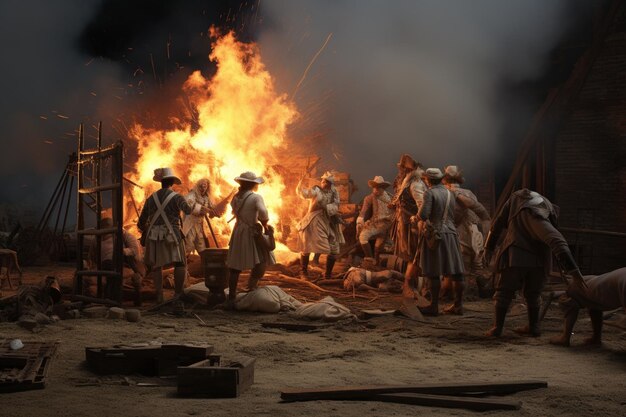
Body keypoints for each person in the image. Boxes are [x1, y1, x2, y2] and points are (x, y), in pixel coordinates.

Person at [484, 189, 585, 337]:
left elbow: (557, 240)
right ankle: (531, 327)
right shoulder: (520, 201)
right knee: (531, 293)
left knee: (505, 291)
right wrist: (489, 247)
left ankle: (500, 328)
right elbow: (498, 223)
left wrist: (574, 272)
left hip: (516, 255)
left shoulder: (534, 212)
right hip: (537, 259)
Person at [138, 167, 208, 308]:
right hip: (172, 234)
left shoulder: (151, 198)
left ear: (161, 182)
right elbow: (188, 210)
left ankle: (159, 295)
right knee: (180, 264)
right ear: (172, 182)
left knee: (157, 266)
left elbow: (141, 222)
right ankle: (177, 295)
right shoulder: (177, 197)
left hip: (154, 235)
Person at [415, 168, 465, 316]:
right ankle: (458, 306)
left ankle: (434, 306)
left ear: (428, 180)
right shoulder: (450, 193)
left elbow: (424, 215)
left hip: (436, 235)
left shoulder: (429, 193)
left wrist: (415, 218)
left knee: (433, 272)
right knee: (457, 272)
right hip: (451, 234)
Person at [226, 171, 275, 306]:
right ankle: (251, 287)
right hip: (252, 231)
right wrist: (265, 224)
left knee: (235, 265)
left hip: (238, 231)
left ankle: (231, 296)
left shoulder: (235, 197)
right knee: (262, 259)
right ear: (252, 184)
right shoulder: (256, 197)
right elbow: (263, 212)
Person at [441, 165, 491, 298]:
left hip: (460, 233)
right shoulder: (468, 192)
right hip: (474, 233)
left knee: (460, 267)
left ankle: (460, 296)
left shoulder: (446, 193)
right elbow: (481, 213)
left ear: (445, 179)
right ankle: (475, 290)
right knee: (474, 266)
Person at [549, 267, 626, 347]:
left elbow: (570, 308)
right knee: (593, 303)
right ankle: (596, 338)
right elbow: (595, 307)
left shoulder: (572, 290)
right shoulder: (591, 287)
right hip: (620, 277)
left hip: (620, 282)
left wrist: (565, 336)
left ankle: (564, 337)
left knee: (568, 303)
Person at [296, 171, 345, 279]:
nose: (323, 183)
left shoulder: (334, 192)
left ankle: (327, 274)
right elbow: (304, 194)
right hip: (314, 219)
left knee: (334, 246)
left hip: (328, 220)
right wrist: (301, 182)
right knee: (307, 245)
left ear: (330, 183)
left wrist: (327, 208)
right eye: (322, 181)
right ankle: (303, 272)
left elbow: (336, 204)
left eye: (326, 181)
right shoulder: (316, 189)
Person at [93, 217, 146, 305]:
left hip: (127, 264)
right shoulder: (97, 239)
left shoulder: (125, 236)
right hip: (106, 265)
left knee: (113, 270)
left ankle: (111, 298)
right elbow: (93, 256)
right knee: (108, 269)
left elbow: (135, 251)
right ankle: (110, 297)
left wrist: (122, 251)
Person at [389, 155, 427, 263]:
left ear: (405, 169)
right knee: (407, 252)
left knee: (413, 252)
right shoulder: (406, 181)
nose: (399, 170)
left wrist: (417, 220)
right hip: (404, 219)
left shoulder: (415, 184)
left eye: (401, 168)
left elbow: (422, 205)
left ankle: (415, 277)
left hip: (410, 222)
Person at [182, 178, 231, 256]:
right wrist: (204, 209)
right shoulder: (192, 194)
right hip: (190, 223)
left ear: (208, 187)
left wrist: (216, 212)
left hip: (200, 224)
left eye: (205, 186)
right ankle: (183, 265)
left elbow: (212, 208)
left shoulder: (206, 197)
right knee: (188, 245)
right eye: (201, 186)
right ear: (198, 186)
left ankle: (204, 264)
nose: (203, 188)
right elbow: (188, 205)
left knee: (201, 245)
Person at [356, 176, 394, 265]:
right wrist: (360, 221)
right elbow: (363, 211)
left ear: (383, 188)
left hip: (388, 225)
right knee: (363, 237)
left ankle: (376, 264)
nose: (376, 190)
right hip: (375, 224)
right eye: (375, 187)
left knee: (378, 247)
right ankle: (370, 259)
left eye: (378, 187)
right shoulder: (369, 198)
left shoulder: (390, 198)